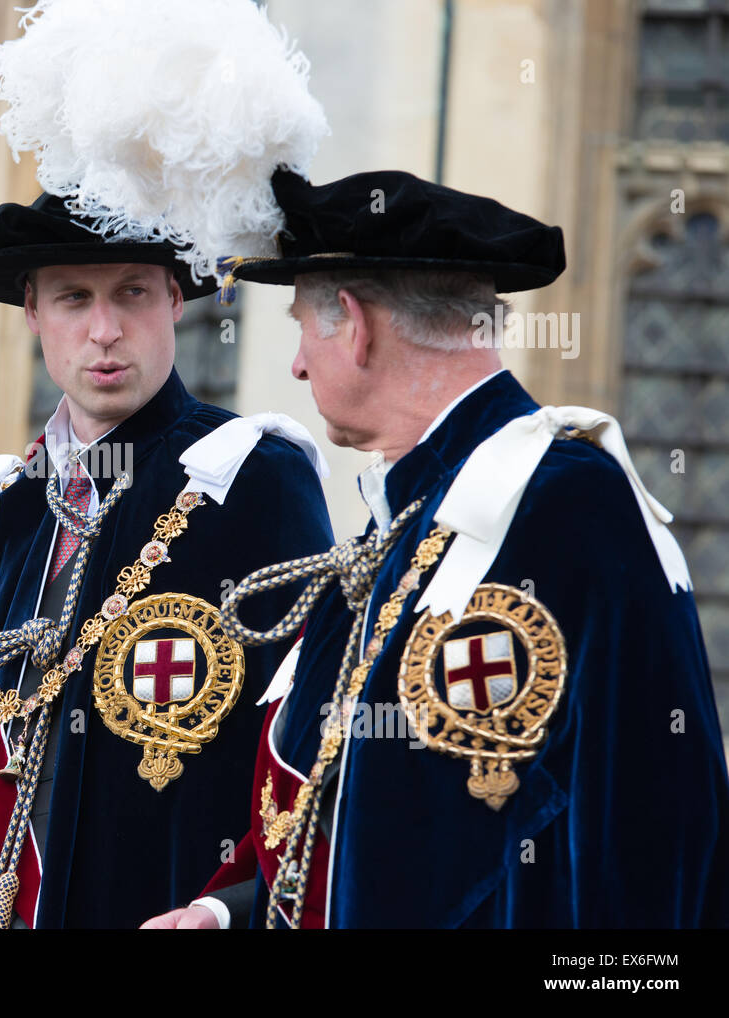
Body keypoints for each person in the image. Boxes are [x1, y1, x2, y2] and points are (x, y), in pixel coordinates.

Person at [145, 168, 729, 929]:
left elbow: (649, 844)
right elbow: (365, 832)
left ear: (353, 325)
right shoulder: (403, 523)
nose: (295, 363)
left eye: (302, 327)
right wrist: (226, 914)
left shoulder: (564, 504)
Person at [0, 189, 335, 927]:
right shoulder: (1, 509)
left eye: (133, 294)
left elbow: (311, 728)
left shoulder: (250, 475)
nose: (105, 331)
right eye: (74, 299)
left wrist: (232, 908)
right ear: (32, 312)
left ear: (176, 299)